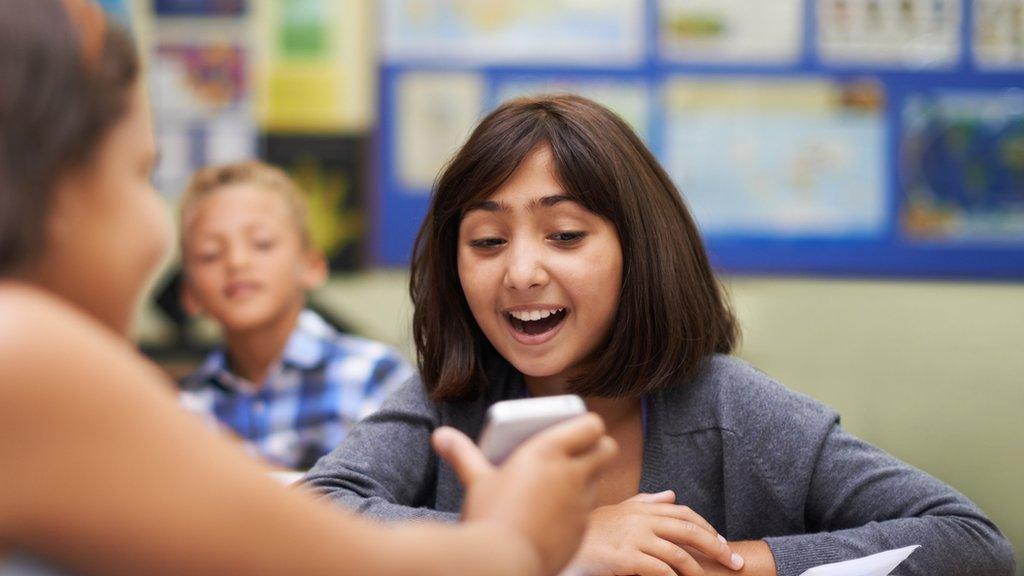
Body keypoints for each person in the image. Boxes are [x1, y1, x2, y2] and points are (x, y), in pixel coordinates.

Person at [0, 2, 617, 575]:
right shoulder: (23, 354)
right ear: (54, 190)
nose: (155, 232)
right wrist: (522, 536)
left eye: (565, 234)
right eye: (140, 174)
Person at [302, 94, 1017, 576]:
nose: (520, 271)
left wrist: (724, 562)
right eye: (487, 241)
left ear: (637, 251)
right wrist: (557, 545)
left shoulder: (733, 410)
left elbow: (973, 544)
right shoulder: (445, 399)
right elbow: (312, 514)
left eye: (565, 234)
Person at [177, 160, 413, 470]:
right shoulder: (183, 411)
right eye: (210, 254)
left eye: (262, 243)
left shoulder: (374, 377)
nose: (236, 261)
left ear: (312, 267)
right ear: (190, 295)